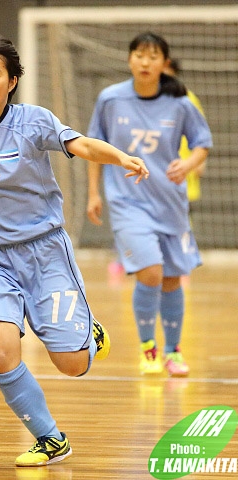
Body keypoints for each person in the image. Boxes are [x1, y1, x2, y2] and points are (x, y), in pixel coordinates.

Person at [0, 23, 148, 467]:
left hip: (45, 252)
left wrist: (119, 156)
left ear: (12, 81)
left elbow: (79, 144)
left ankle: (87, 330)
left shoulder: (33, 121)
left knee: (72, 365)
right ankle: (49, 438)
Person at [86, 32, 212, 377]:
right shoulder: (111, 99)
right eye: (139, 55)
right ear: (129, 60)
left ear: (164, 63)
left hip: (170, 203)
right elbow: (93, 148)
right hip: (128, 202)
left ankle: (173, 350)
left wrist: (187, 165)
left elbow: (202, 143)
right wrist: (94, 194)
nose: (145, 62)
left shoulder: (181, 101)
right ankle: (148, 349)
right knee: (151, 272)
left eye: (153, 56)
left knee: (172, 279)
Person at [163, 58, 207, 208]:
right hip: (155, 170)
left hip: (183, 167)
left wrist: (199, 161)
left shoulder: (187, 98)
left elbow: (200, 134)